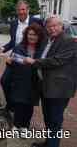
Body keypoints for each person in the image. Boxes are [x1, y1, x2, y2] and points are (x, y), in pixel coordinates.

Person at [24, 16, 77, 147]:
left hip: (59, 88)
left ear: (61, 26)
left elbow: (57, 60)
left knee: (55, 120)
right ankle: (48, 143)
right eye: (49, 27)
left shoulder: (68, 41)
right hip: (46, 85)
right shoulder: (49, 40)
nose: (52, 28)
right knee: (48, 117)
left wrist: (35, 62)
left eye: (55, 26)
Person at [0, 0, 43, 112]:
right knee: (5, 81)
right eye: (19, 10)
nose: (21, 12)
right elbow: (12, 42)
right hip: (15, 58)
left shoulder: (37, 21)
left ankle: (23, 114)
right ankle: (11, 104)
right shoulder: (14, 23)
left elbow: (42, 39)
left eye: (23, 9)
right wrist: (2, 49)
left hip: (30, 58)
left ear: (28, 10)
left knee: (27, 86)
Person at [5, 23, 45, 133]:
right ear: (26, 35)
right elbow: (12, 62)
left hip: (34, 82)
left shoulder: (42, 49)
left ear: (39, 36)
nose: (32, 37)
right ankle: (16, 125)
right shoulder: (19, 47)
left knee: (29, 105)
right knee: (18, 104)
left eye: (35, 35)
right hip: (20, 80)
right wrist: (8, 62)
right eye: (30, 34)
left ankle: (25, 127)